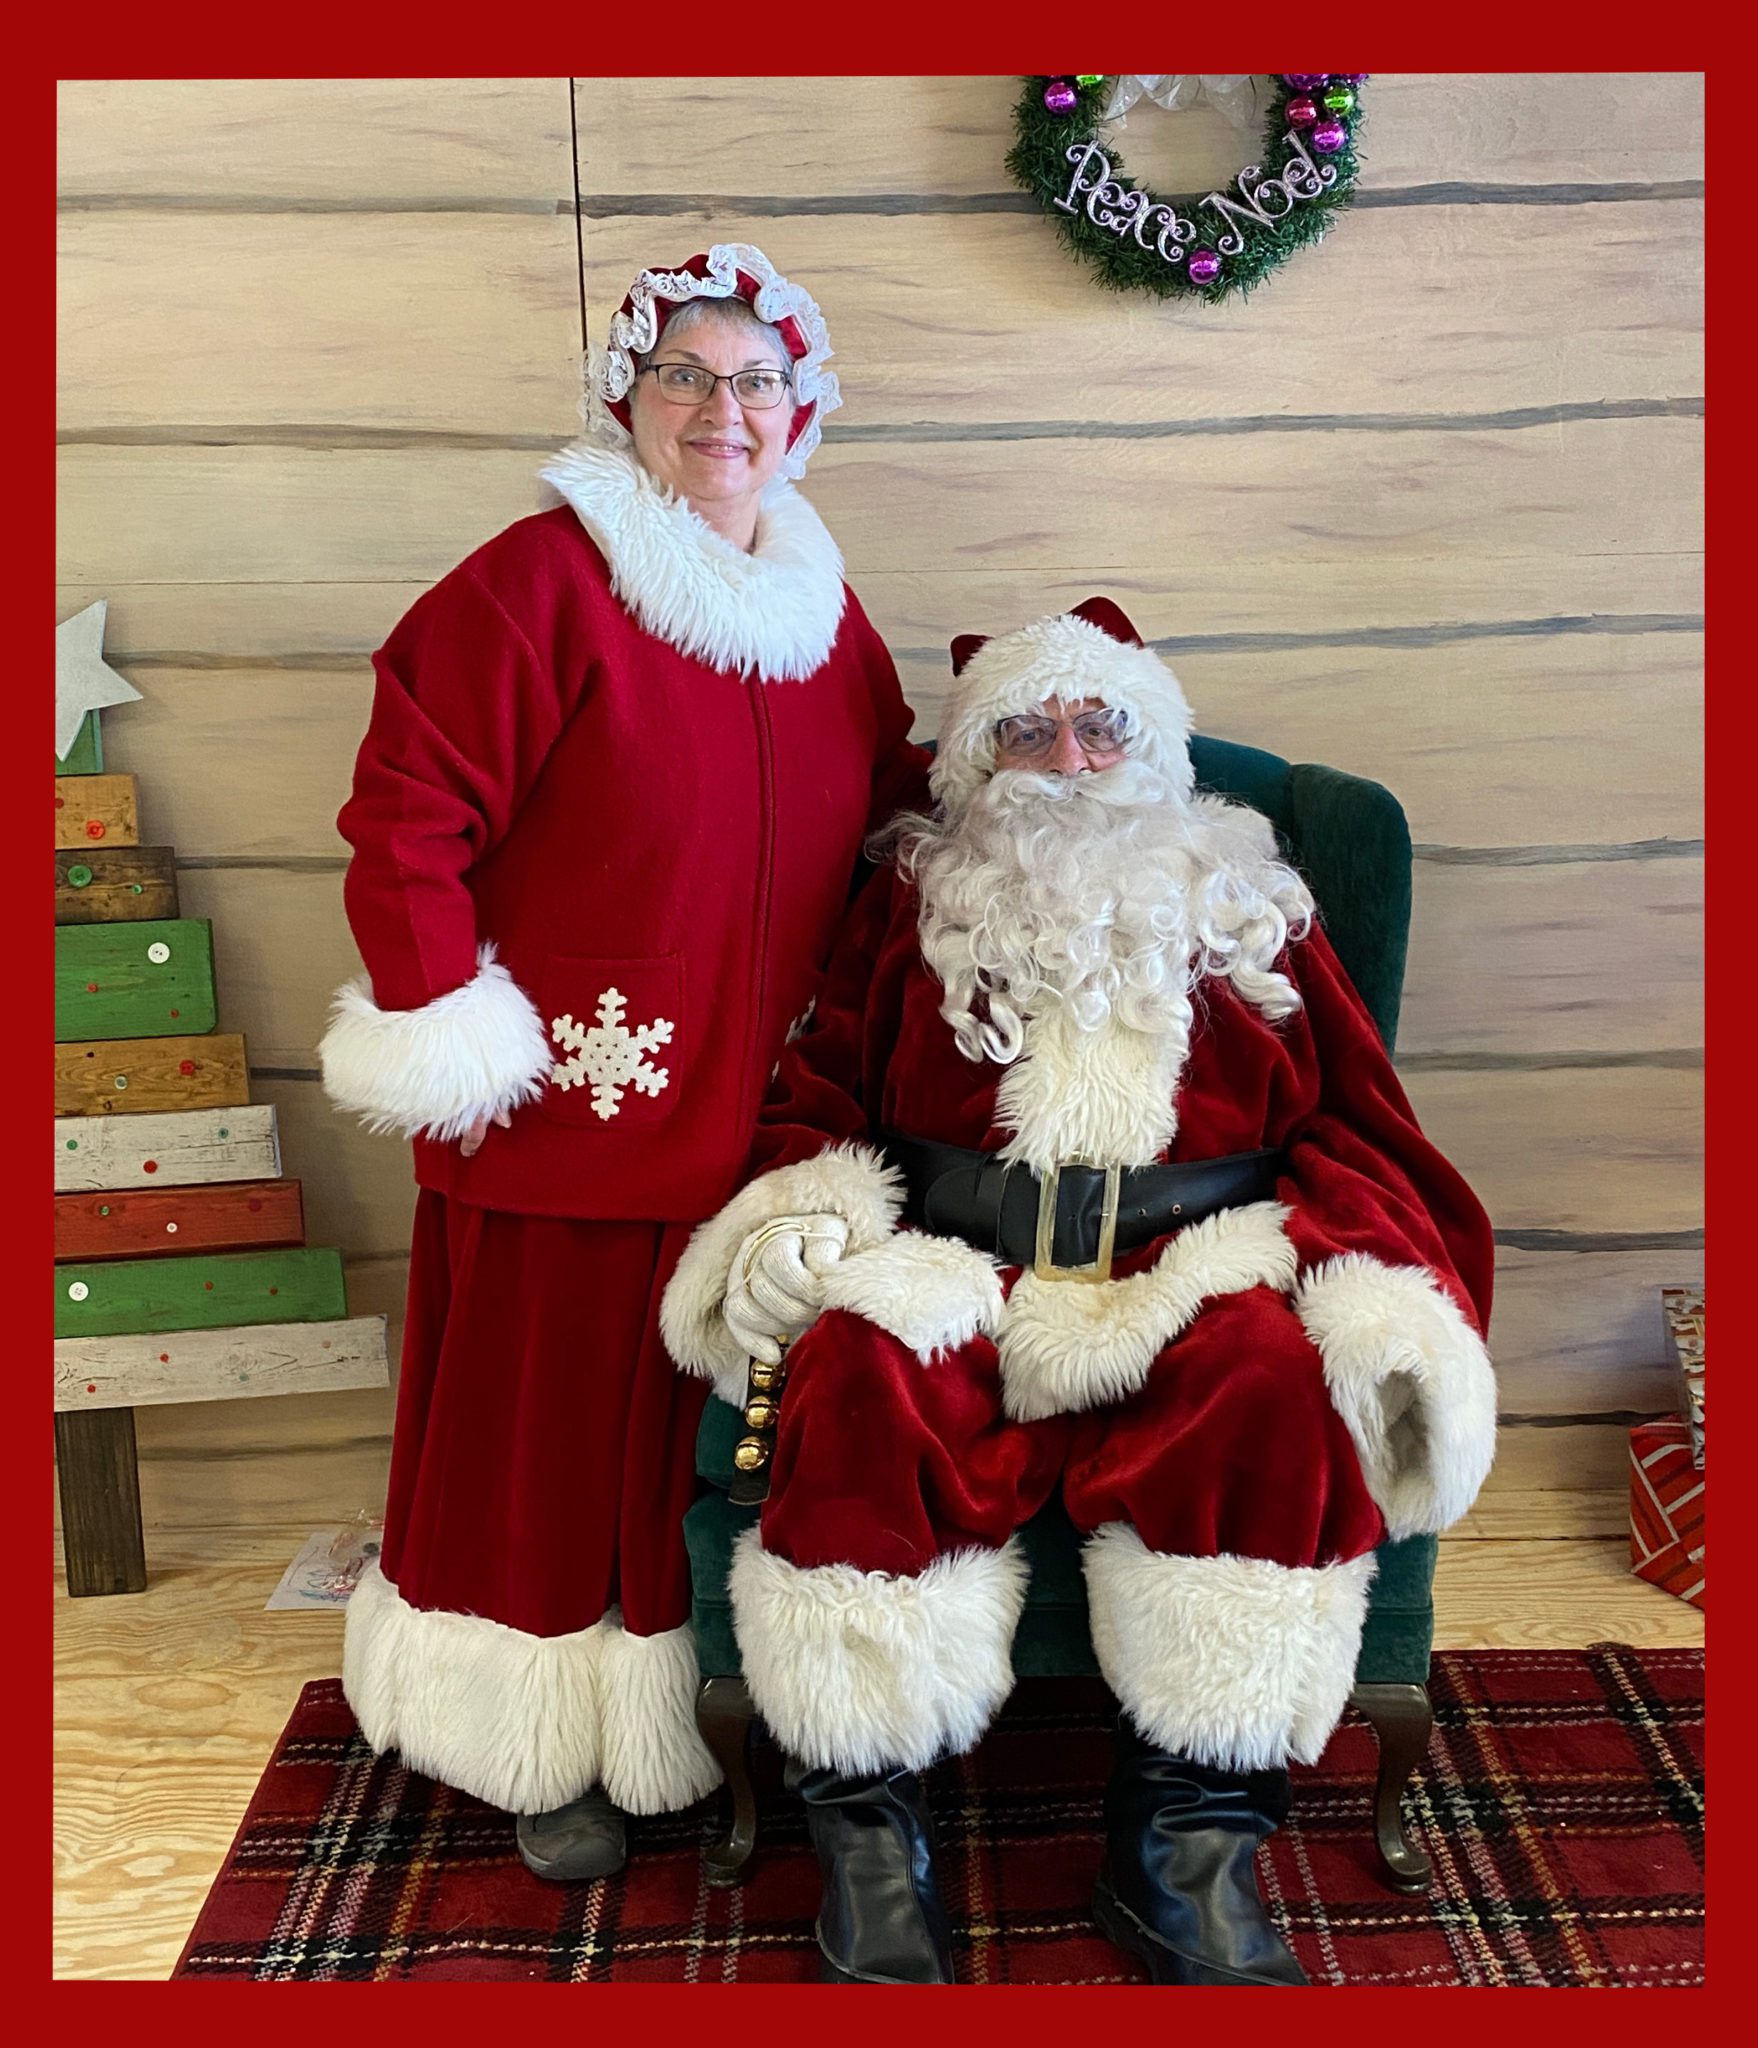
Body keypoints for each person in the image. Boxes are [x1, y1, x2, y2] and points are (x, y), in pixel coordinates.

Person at [661, 599, 1497, 1985]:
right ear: (979, 764)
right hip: (956, 1258)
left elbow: (1355, 1119)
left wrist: (1373, 1281)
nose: (1066, 755)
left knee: (1273, 1391)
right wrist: (796, 1218)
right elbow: (817, 1093)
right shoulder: (912, 903)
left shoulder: (1249, 906)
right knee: (862, 1382)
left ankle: (1185, 1854)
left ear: (1150, 745)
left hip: (1193, 1266)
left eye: (1098, 723)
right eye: (1028, 730)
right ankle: (870, 1846)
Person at [317, 243, 927, 1881]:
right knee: (544, 1436)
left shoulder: (819, 600)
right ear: (626, 400)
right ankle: (533, 1733)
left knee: (701, 1442)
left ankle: (692, 1714)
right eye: (683, 378)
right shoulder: (534, 583)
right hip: (568, 1106)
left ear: (798, 411)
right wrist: (451, 1026)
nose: (719, 411)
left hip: (761, 1116)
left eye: (752, 382)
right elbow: (404, 823)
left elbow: (887, 794)